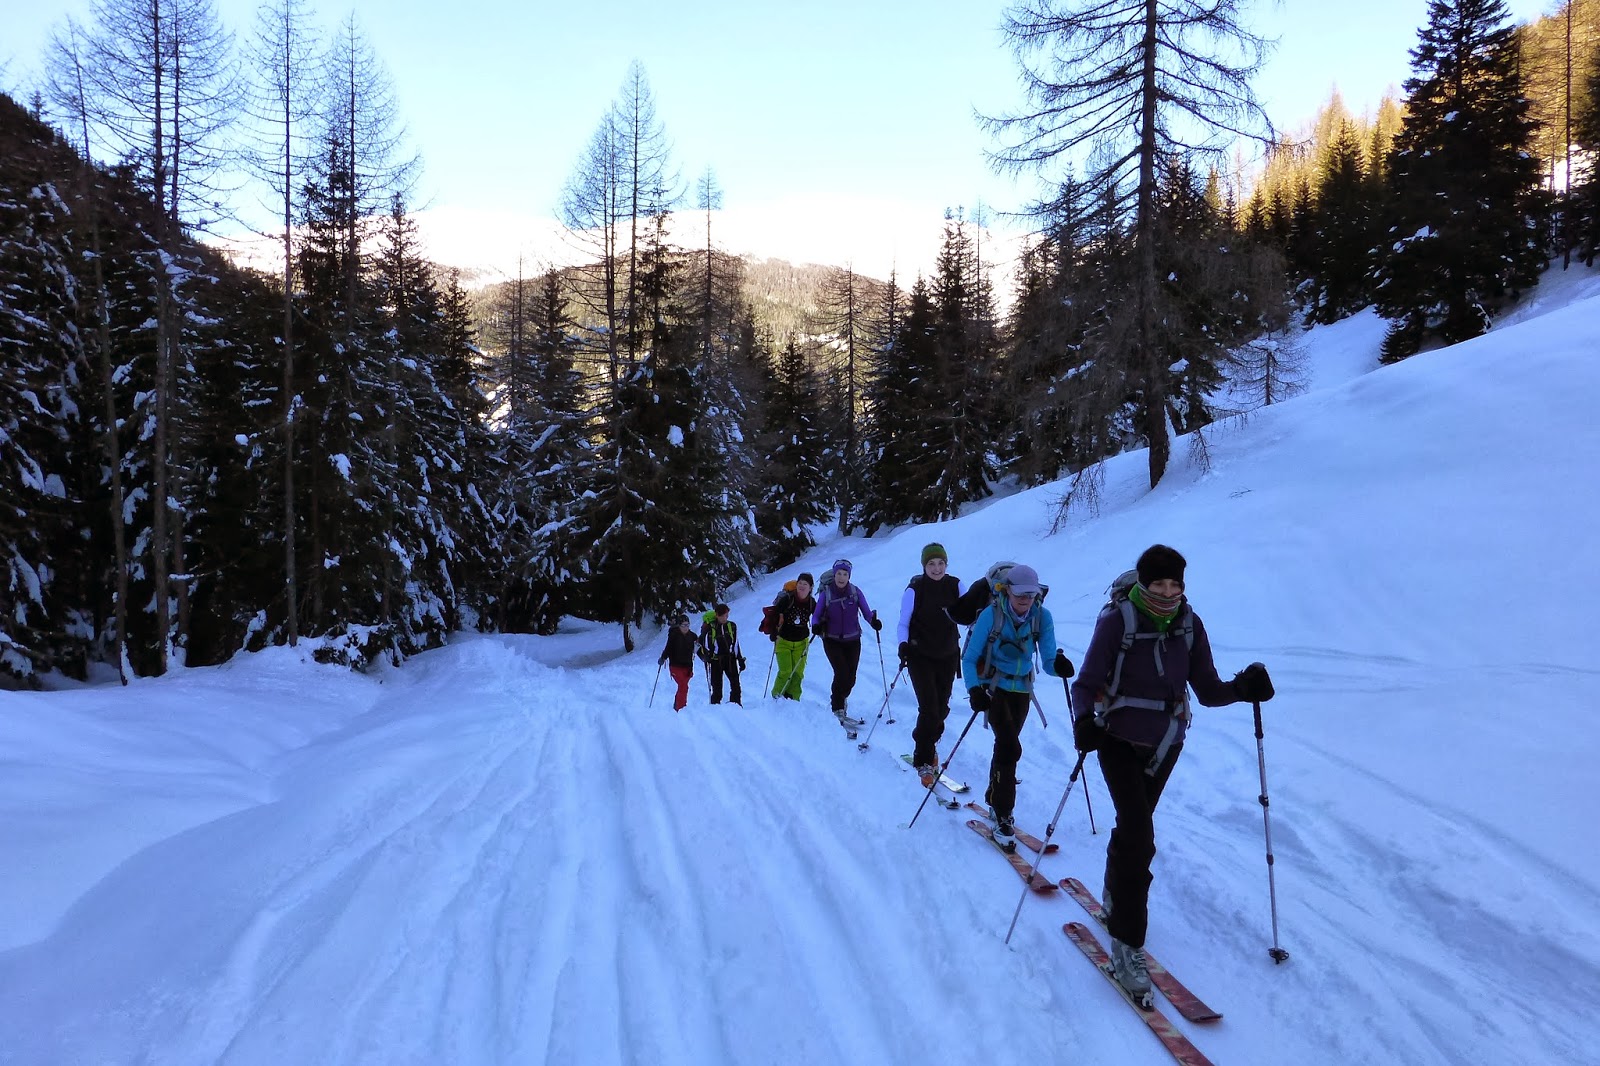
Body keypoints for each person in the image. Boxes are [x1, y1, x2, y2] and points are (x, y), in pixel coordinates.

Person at [1068, 544, 1274, 1006]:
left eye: (1174, 584)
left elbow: (1207, 690)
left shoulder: (1189, 625)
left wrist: (1245, 687)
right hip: (1116, 739)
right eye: (1157, 584)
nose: (1166, 593)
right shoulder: (1117, 621)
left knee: (1131, 828)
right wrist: (1083, 719)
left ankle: (1114, 895)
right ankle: (1126, 943)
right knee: (1141, 835)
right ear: (1142, 583)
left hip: (1166, 744)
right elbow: (1085, 684)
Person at [960, 563, 1073, 851]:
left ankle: (995, 796)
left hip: (1022, 689)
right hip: (994, 688)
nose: (1025, 599)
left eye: (1031, 594)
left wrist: (1058, 666)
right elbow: (970, 658)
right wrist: (974, 689)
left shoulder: (1041, 617)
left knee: (1005, 746)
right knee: (1010, 747)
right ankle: (1003, 813)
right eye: (1020, 593)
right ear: (1007, 590)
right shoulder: (991, 614)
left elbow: (1047, 659)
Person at [897, 543, 967, 787]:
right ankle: (923, 758)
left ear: (946, 564)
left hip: (948, 655)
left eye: (940, 563)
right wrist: (903, 645)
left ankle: (928, 741)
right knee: (929, 709)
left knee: (942, 707)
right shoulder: (915, 589)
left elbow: (969, 615)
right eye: (931, 564)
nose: (936, 568)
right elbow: (903, 622)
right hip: (920, 655)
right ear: (924, 566)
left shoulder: (956, 585)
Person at [811, 559, 881, 723]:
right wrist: (815, 625)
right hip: (832, 640)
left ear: (849, 576)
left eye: (845, 574)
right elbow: (816, 614)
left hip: (853, 640)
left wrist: (874, 622)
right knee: (841, 673)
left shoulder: (855, 592)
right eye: (839, 574)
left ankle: (841, 699)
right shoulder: (826, 593)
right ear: (834, 574)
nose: (841, 577)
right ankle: (837, 707)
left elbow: (866, 612)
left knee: (851, 678)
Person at [769, 572, 817, 700]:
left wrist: (820, 627)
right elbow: (775, 615)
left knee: (798, 673)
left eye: (805, 584)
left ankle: (793, 698)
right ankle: (776, 697)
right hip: (783, 641)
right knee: (785, 671)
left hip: (802, 642)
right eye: (800, 583)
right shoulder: (787, 599)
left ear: (811, 587)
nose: (801, 586)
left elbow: (819, 617)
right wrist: (774, 633)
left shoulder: (811, 602)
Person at [698, 603, 746, 705]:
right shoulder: (710, 628)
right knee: (717, 687)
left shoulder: (732, 626)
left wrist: (740, 659)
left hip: (730, 659)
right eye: (723, 615)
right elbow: (707, 645)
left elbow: (735, 643)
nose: (725, 617)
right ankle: (715, 707)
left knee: (735, 684)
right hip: (716, 660)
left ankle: (736, 704)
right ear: (717, 615)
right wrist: (709, 658)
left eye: (727, 615)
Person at [658, 615, 699, 712]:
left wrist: (704, 657)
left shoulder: (693, 636)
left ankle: (677, 703)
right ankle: (681, 708)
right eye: (683, 625)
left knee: (683, 686)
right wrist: (663, 658)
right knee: (683, 686)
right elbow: (668, 648)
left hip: (688, 667)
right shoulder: (674, 635)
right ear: (679, 626)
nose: (686, 628)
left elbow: (697, 649)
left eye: (687, 625)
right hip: (675, 666)